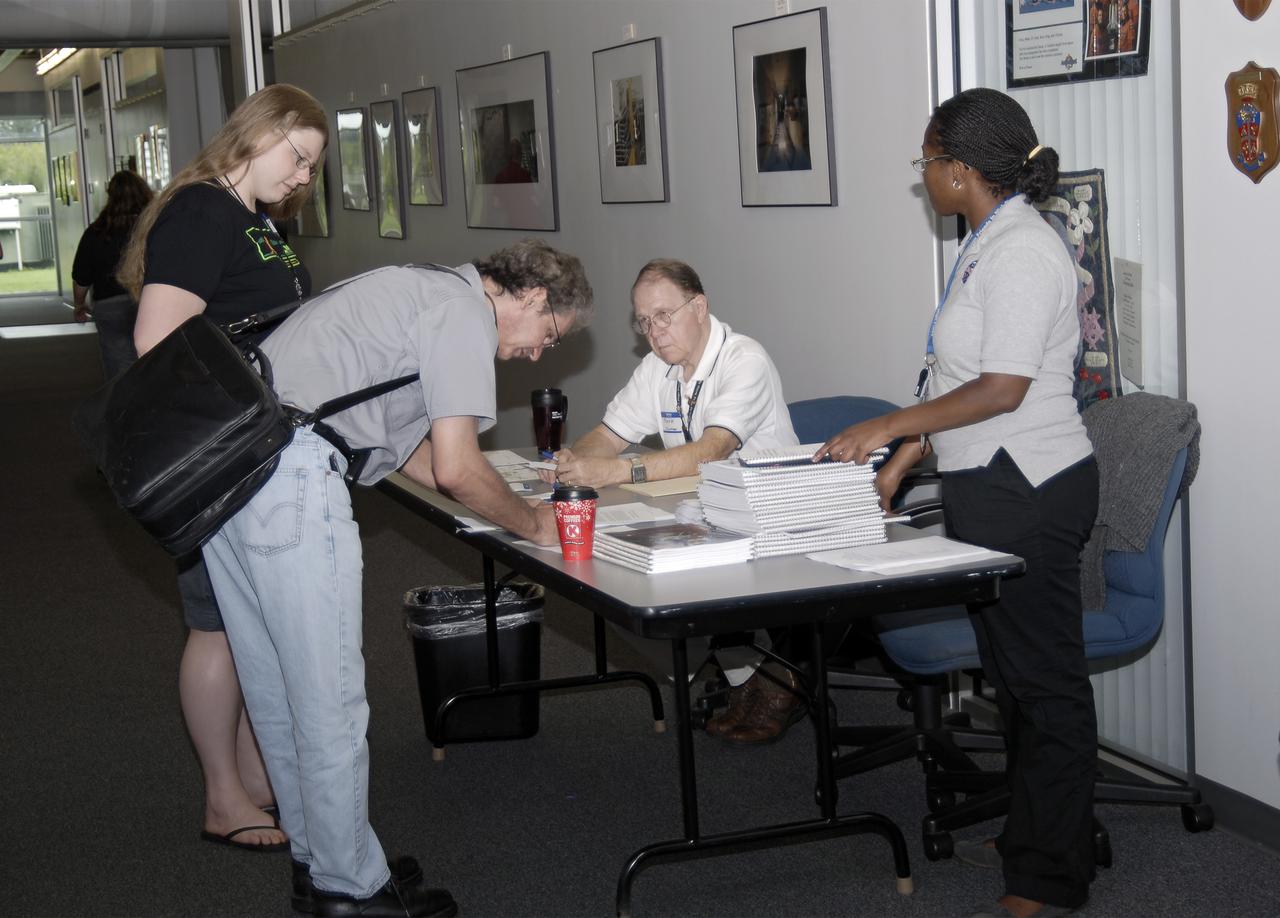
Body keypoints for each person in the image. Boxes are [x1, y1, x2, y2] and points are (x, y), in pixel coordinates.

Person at [198, 240, 592, 917]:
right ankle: (348, 889)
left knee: (277, 684)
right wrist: (530, 523)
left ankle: (320, 858)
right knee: (329, 697)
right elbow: (456, 468)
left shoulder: (423, 286)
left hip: (233, 469)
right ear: (531, 297)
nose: (536, 354)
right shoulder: (463, 312)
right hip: (289, 477)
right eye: (547, 335)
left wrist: (490, 503)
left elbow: (412, 450)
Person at [818, 88, 1099, 918]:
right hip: (993, 485)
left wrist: (887, 425)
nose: (924, 177)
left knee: (1046, 688)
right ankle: (1041, 841)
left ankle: (1050, 880)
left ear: (961, 169)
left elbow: (1002, 388)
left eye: (927, 161)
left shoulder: (1021, 251)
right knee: (1014, 682)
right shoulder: (988, 242)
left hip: (1032, 488)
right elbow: (957, 386)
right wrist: (902, 460)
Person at [117, 83, 329, 859]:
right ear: (256, 135)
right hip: (216, 452)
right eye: (298, 157)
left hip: (248, 445)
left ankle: (248, 769)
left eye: (312, 167)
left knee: (244, 623)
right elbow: (158, 338)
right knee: (216, 623)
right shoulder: (206, 211)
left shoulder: (250, 218)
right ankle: (221, 794)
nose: (304, 177)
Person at [542, 259, 806, 744]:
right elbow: (610, 434)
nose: (655, 332)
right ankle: (750, 673)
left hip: (767, 514)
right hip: (703, 514)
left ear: (699, 307)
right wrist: (572, 461)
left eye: (664, 315)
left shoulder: (743, 359)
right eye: (644, 322)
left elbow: (712, 450)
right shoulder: (659, 367)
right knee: (601, 570)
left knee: (645, 576)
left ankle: (760, 674)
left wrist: (617, 471)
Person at [71, 170, 152, 378]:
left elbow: (81, 276)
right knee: (154, 360)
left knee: (118, 368)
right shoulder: (154, 227)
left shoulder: (96, 232)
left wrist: (79, 304)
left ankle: (124, 406)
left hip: (110, 305)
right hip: (149, 300)